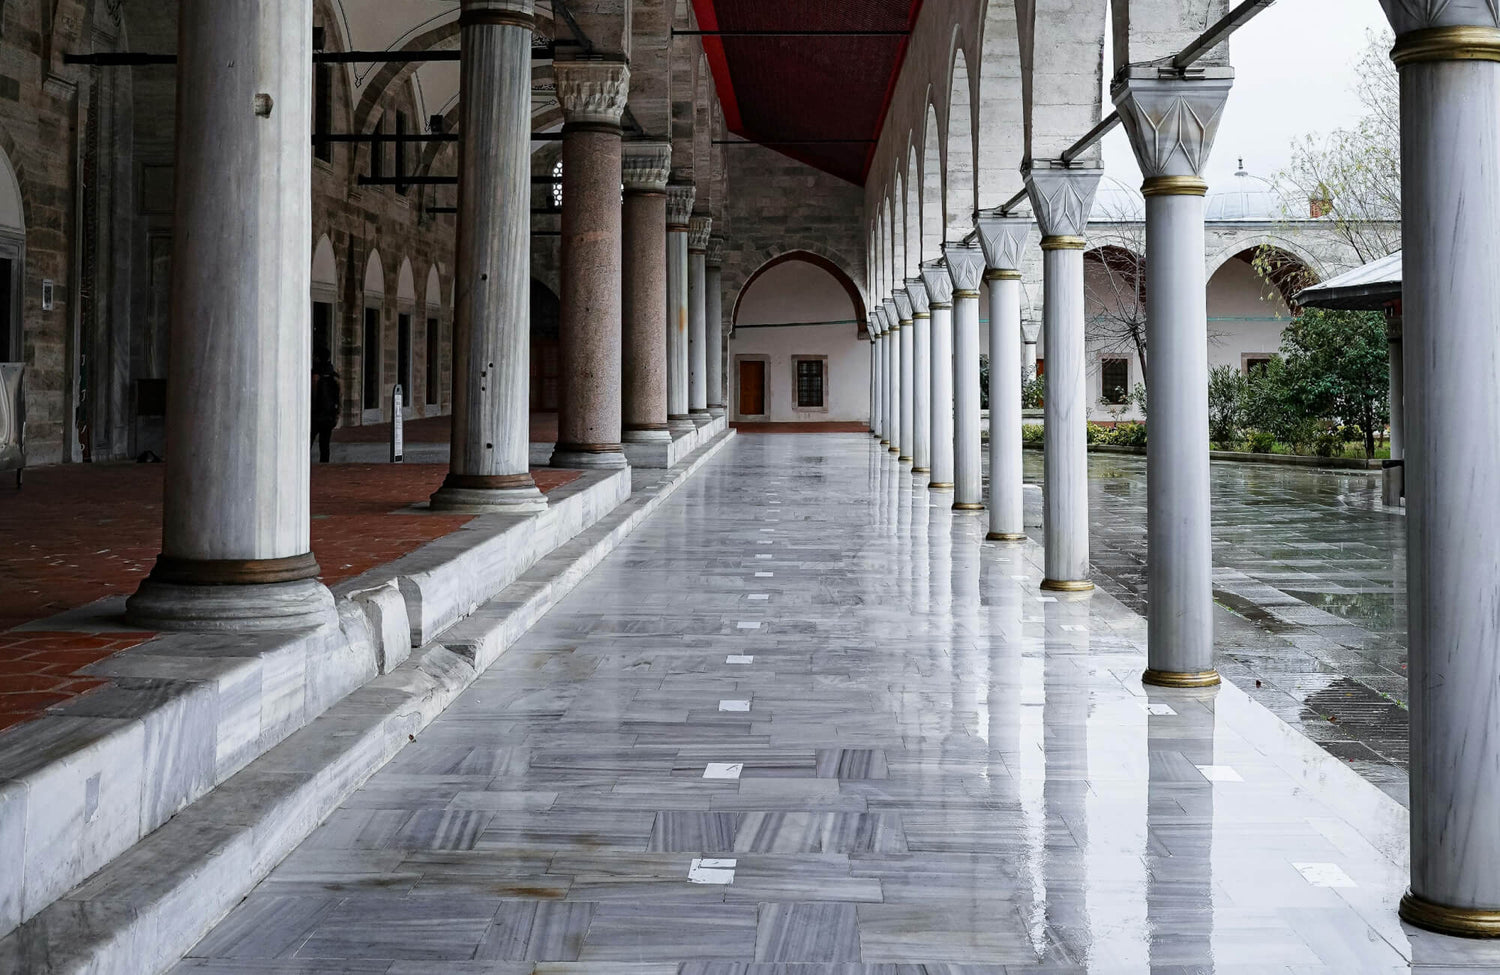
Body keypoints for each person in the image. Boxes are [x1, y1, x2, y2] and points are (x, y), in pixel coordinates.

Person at [311, 346, 340, 463]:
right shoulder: (333, 375)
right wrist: (337, 412)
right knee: (325, 445)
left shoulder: (315, 376)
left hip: (316, 414)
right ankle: (324, 466)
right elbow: (339, 394)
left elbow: (312, 395)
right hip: (329, 415)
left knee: (308, 442)